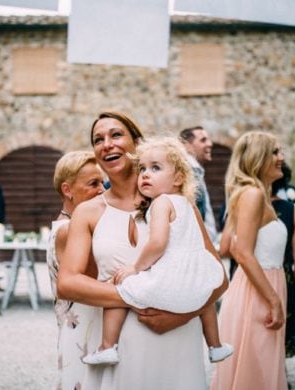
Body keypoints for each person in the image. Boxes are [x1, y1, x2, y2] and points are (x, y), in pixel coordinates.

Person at [58, 112, 228, 389]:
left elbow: (218, 277)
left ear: (136, 142)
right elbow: (67, 283)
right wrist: (139, 298)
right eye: (98, 140)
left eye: (116, 135)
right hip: (119, 346)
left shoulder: (180, 205)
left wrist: (181, 314)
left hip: (179, 339)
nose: (107, 144)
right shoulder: (88, 212)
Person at [82, 137, 232, 365]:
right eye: (142, 168)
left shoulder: (161, 203)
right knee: (207, 299)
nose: (145, 174)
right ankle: (215, 346)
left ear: (179, 178)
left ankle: (107, 346)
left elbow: (158, 243)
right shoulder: (187, 205)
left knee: (121, 287)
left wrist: (135, 268)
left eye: (155, 168)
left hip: (170, 279)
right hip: (197, 276)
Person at [211, 131, 287, 390]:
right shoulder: (253, 195)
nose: (281, 158)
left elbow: (230, 244)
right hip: (258, 293)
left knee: (260, 368)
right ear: (259, 157)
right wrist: (273, 299)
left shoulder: (254, 194)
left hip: (260, 287)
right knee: (257, 372)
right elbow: (242, 252)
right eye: (275, 152)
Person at [46, 150, 105, 389]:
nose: (102, 189)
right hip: (84, 333)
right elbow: (95, 281)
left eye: (103, 182)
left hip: (81, 329)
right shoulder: (70, 230)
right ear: (67, 190)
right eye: (93, 184)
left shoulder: (67, 226)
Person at [270, 162, 295, 358]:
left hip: (251, 276)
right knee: (280, 328)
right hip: (283, 277)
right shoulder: (293, 210)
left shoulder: (243, 204)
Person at [179, 126, 218, 242]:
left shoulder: (196, 170)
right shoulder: (189, 171)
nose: (210, 144)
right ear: (187, 146)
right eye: (203, 140)